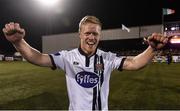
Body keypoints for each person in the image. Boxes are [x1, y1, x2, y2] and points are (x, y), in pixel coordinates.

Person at [2, 15, 168, 110]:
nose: (91, 37)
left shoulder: (107, 58)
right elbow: (38, 57)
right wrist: (18, 42)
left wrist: (152, 49)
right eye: (88, 33)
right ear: (80, 34)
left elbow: (134, 63)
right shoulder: (67, 57)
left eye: (95, 34)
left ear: (100, 35)